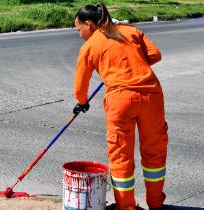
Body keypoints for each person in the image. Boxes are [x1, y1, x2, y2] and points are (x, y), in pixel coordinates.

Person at [72, 2, 168, 210]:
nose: (79, 34)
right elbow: (155, 55)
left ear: (88, 24)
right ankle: (156, 204)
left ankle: (125, 207)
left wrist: (82, 102)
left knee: (121, 155)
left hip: (121, 100)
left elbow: (80, 88)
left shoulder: (89, 46)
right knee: (155, 151)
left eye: (78, 29)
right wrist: (131, 64)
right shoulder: (131, 30)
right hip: (152, 96)